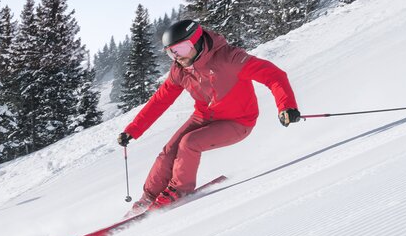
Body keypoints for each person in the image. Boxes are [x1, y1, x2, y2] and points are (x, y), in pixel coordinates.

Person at [117, 19, 301, 211]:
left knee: (189, 143)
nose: (177, 57)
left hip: (238, 121)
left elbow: (273, 75)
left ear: (196, 42)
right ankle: (148, 198)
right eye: (171, 52)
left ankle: (178, 191)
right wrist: (133, 130)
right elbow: (160, 101)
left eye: (181, 49)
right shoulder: (180, 70)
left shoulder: (229, 58)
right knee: (168, 152)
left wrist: (286, 107)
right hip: (204, 116)